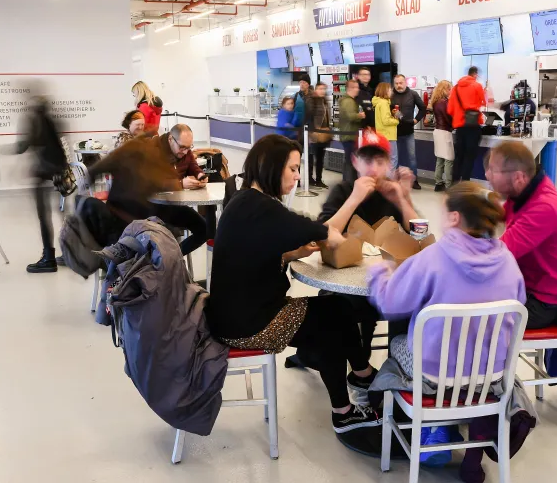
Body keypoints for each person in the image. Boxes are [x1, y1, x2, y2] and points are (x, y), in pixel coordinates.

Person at [205, 134, 383, 434]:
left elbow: (252, 253)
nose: (298, 176)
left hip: (232, 314)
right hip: (248, 324)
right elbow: (327, 232)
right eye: (293, 169)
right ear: (269, 166)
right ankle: (346, 408)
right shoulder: (262, 208)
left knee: (336, 308)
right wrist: (354, 198)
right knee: (331, 323)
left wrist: (292, 254)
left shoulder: (245, 202)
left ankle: (361, 376)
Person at [367, 181, 526, 481]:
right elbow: (517, 307)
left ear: (454, 218)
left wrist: (378, 271)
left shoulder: (433, 257)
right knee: (471, 353)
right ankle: (469, 453)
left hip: (434, 377)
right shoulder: (507, 260)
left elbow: (390, 304)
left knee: (400, 343)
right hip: (489, 375)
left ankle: (432, 428)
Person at [316, 131, 419, 362]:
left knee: (409, 304)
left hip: (385, 282)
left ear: (388, 165)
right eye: (367, 160)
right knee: (338, 307)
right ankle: (361, 368)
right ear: (355, 162)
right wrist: (354, 198)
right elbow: (321, 233)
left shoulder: (390, 194)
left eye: (380, 162)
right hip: (346, 280)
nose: (373, 168)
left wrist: (403, 199)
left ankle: (396, 369)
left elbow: (420, 236)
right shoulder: (343, 191)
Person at [85, 124, 211, 255]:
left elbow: (193, 166)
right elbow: (149, 183)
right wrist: (180, 183)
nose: (185, 151)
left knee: (205, 229)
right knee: (163, 238)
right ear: (170, 139)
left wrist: (200, 175)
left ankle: (171, 259)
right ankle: (163, 260)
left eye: (189, 147)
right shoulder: (150, 150)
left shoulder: (183, 151)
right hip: (143, 212)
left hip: (166, 207)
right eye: (182, 147)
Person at [486, 142, 557, 329]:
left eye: (493, 170)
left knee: (467, 319)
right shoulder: (522, 194)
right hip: (522, 286)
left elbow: (499, 254)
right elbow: (495, 218)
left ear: (518, 177)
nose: (487, 175)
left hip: (540, 302)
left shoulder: (544, 207)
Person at [17, 96, 67, 273]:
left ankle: (48, 258)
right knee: (64, 214)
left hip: (44, 173)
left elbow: (22, 146)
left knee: (44, 216)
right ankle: (69, 253)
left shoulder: (36, 122)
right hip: (61, 172)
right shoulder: (52, 121)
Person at [448, 66, 486, 183]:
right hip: (473, 126)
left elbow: (449, 110)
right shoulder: (477, 86)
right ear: (475, 74)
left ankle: (454, 182)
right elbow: (484, 101)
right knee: (470, 156)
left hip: (459, 127)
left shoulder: (455, 88)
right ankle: (465, 183)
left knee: (459, 156)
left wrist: (459, 115)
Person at [391, 75, 426, 190]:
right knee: (394, 159)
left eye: (400, 83)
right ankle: (395, 180)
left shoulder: (413, 94)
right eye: (396, 83)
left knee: (412, 157)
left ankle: (414, 180)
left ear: (405, 82)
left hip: (409, 132)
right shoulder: (390, 95)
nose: (398, 85)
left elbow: (423, 108)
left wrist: (416, 120)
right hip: (394, 132)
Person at [337, 79, 365, 184]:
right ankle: (348, 183)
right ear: (351, 88)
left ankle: (347, 182)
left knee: (349, 160)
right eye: (356, 87)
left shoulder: (347, 100)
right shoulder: (348, 101)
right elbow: (350, 116)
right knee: (350, 161)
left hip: (348, 134)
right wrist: (361, 115)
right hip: (349, 135)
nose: (358, 90)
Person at [307, 82, 332, 189]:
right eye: (320, 89)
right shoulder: (311, 101)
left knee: (320, 158)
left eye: (324, 89)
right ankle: (310, 179)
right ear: (316, 89)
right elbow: (308, 117)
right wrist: (312, 131)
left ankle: (318, 179)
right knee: (311, 157)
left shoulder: (325, 101)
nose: (322, 91)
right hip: (314, 133)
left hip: (324, 133)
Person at [430, 80, 454, 192]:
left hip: (437, 131)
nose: (450, 91)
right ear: (444, 89)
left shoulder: (435, 102)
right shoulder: (445, 103)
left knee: (439, 159)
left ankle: (438, 183)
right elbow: (448, 118)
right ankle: (449, 185)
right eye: (449, 89)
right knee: (449, 159)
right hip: (445, 132)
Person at [372, 82, 401, 168]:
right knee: (393, 160)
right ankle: (389, 180)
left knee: (384, 160)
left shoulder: (378, 102)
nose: (391, 91)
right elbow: (386, 121)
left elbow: (382, 118)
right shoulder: (384, 103)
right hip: (389, 135)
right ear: (385, 91)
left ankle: (383, 179)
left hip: (382, 135)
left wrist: (392, 114)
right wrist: (396, 120)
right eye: (389, 89)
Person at [292, 74, 312, 142]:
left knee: (309, 150)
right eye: (300, 82)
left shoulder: (314, 97)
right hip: (298, 129)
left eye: (304, 82)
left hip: (310, 130)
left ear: (308, 84)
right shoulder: (296, 96)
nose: (301, 84)